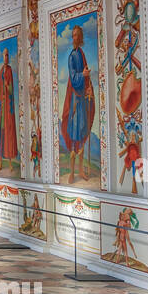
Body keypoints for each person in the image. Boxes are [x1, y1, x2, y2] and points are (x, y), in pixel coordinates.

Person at [59, 24, 95, 181]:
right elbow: (74, 78)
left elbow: (87, 77)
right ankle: (73, 172)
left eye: (77, 35)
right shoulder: (72, 56)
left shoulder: (82, 53)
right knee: (74, 135)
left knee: (81, 134)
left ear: (80, 38)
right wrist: (83, 75)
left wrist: (89, 89)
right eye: (73, 35)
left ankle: (80, 171)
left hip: (82, 100)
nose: (75, 38)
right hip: (75, 100)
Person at [0, 48, 18, 170]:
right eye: (4, 55)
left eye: (7, 55)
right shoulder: (0, 71)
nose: (6, 57)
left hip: (8, 108)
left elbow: (11, 90)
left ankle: (9, 163)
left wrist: (7, 86)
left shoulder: (9, 70)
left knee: (8, 134)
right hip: (2, 106)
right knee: (2, 133)